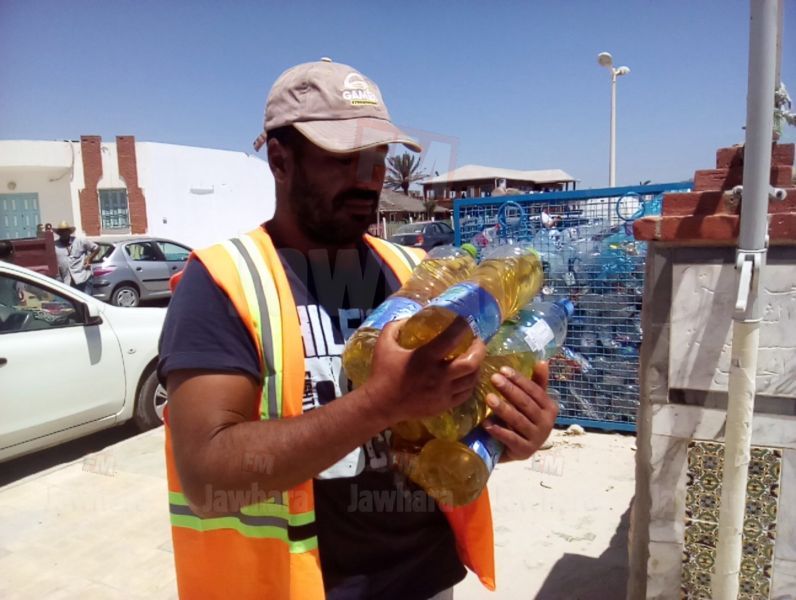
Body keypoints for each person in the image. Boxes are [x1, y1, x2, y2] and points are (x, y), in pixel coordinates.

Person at [158, 59, 558, 600]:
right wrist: (380, 402)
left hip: (427, 579)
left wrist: (507, 434)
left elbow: (443, 423)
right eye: (342, 158)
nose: (368, 178)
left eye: (377, 158)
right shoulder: (224, 283)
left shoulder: (414, 271)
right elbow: (207, 477)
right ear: (280, 160)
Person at [52, 220, 99, 294]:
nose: (64, 233)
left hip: (83, 278)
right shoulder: (55, 246)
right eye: (62, 231)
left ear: (69, 232)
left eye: (66, 231)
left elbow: (96, 248)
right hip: (67, 282)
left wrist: (89, 259)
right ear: (59, 233)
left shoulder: (80, 241)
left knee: (85, 300)